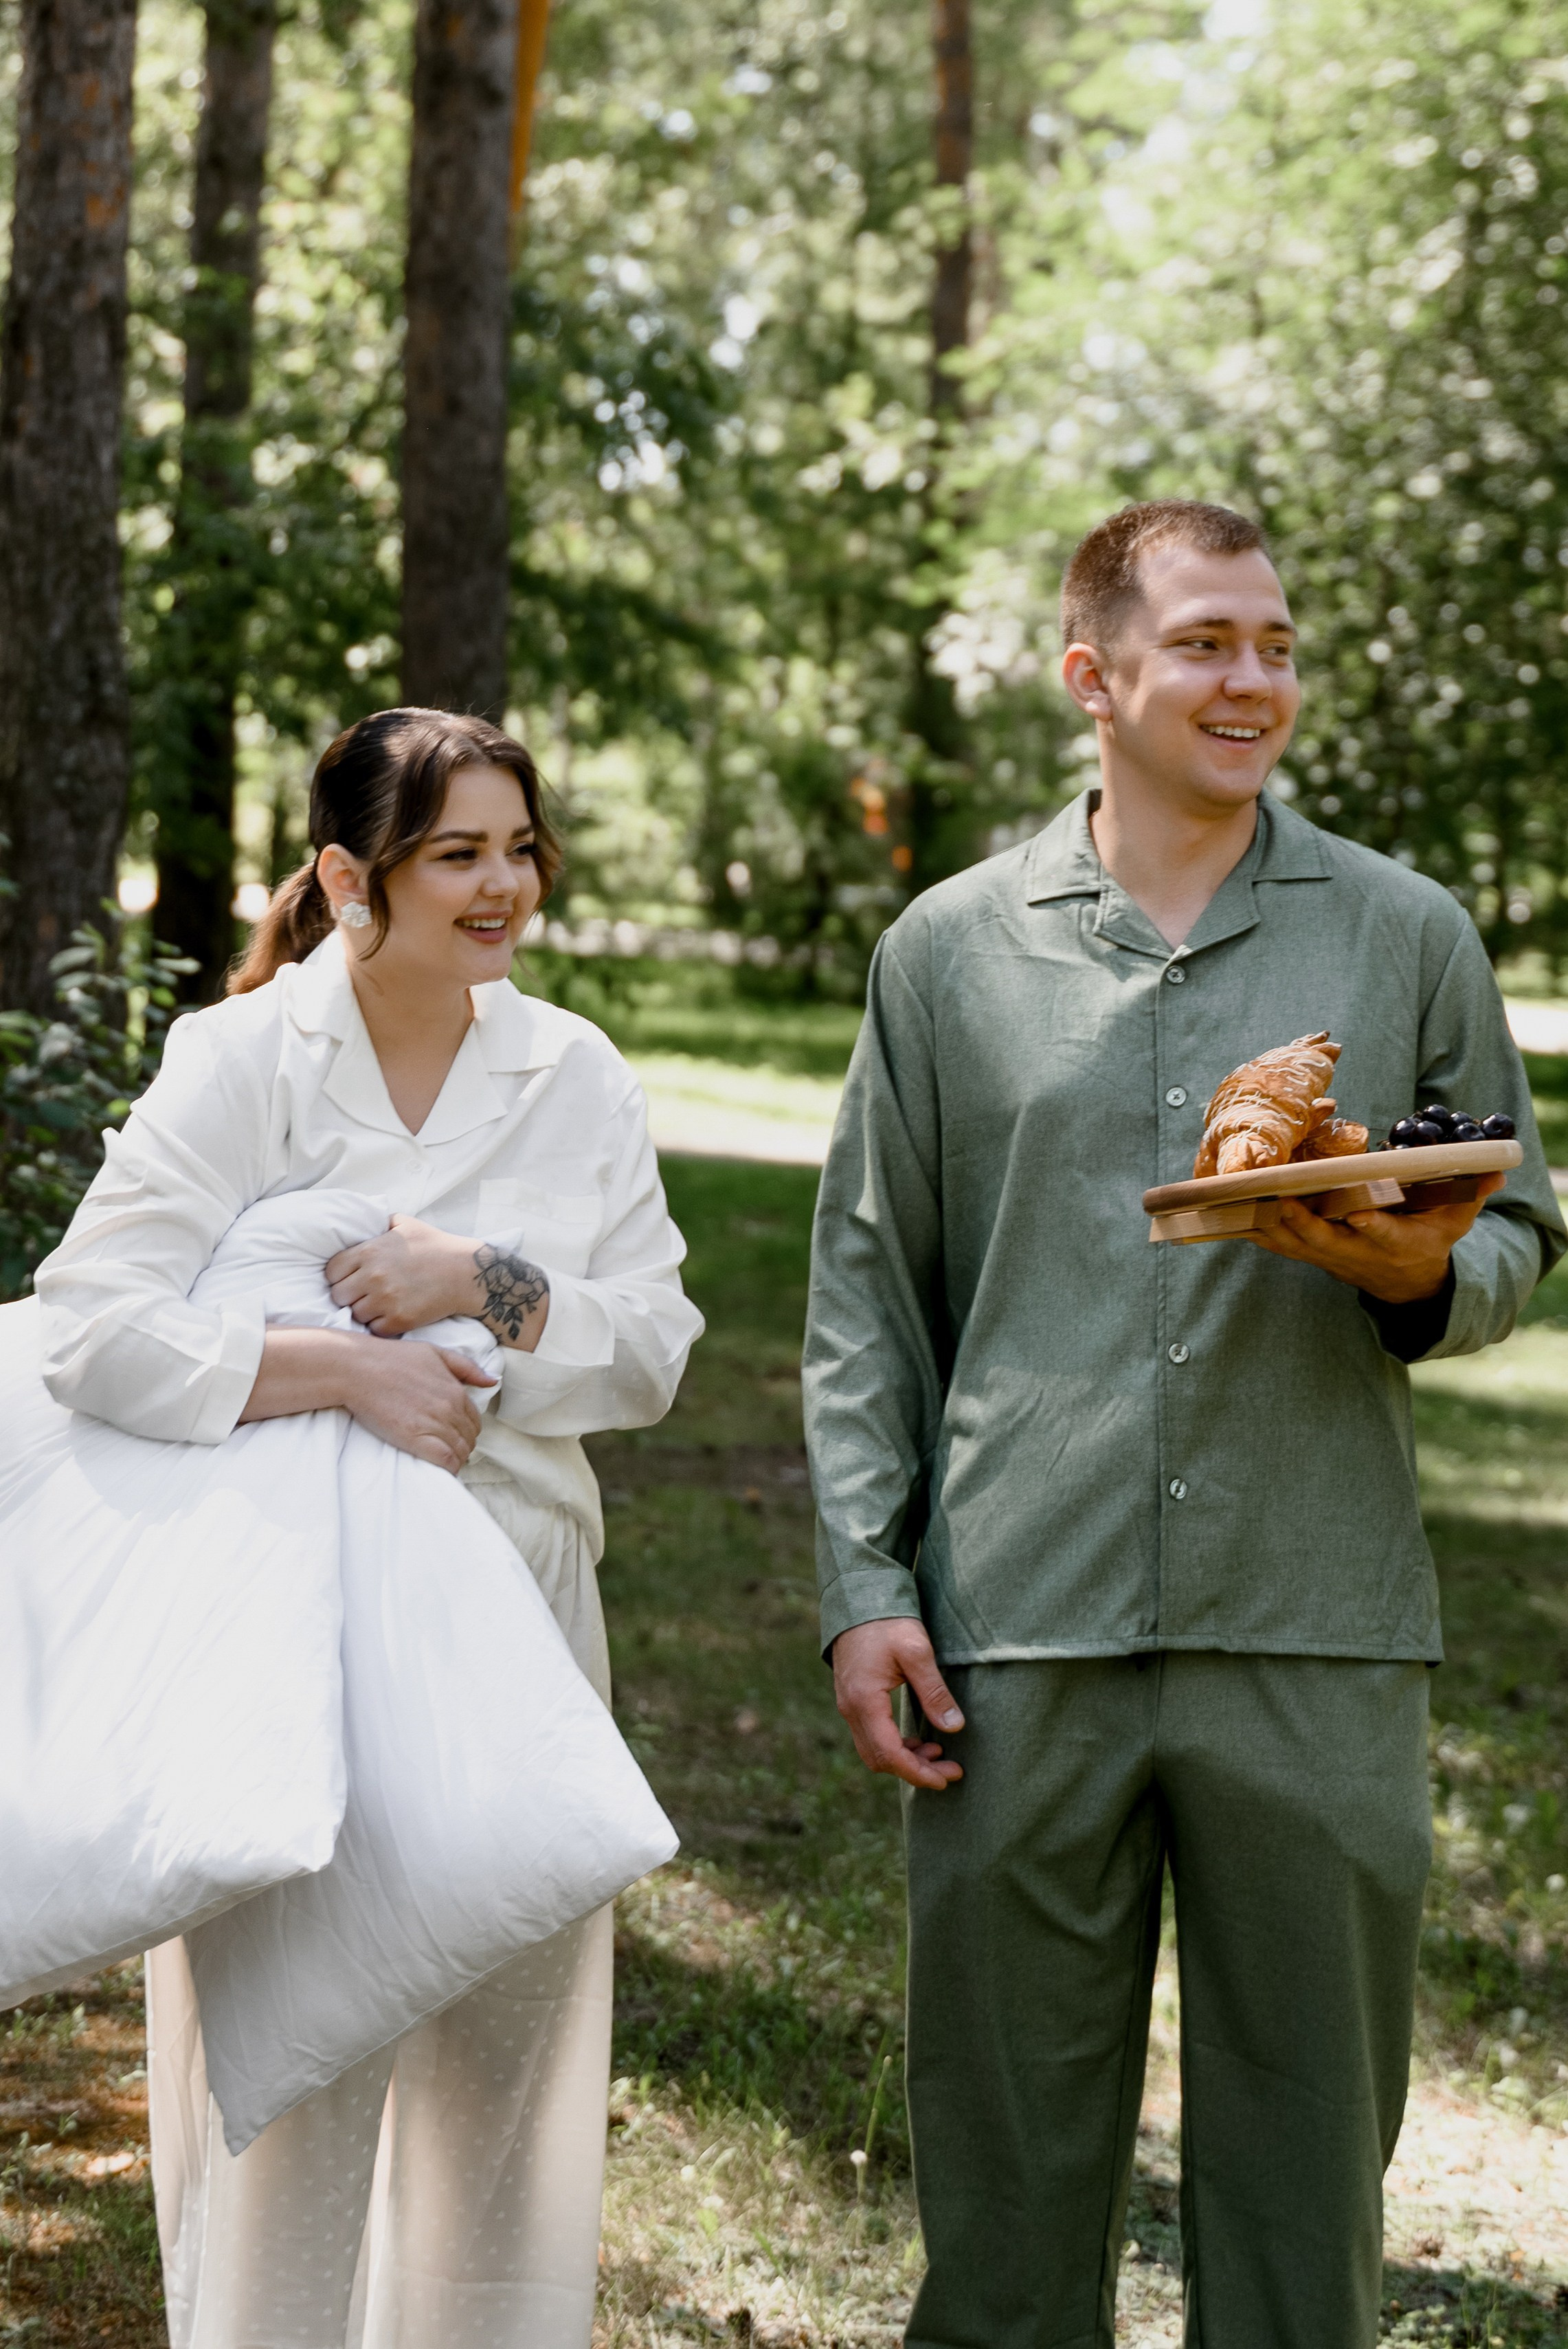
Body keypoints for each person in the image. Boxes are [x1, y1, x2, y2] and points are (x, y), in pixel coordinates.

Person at [802, 501, 1566, 2349]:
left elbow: (1517, 1220)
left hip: (1312, 1620)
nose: (1256, 682)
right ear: (1096, 675)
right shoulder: (947, 953)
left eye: (1277, 645)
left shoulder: (1402, 937)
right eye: (1213, 641)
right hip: (1016, 1626)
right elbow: (862, 1293)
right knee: (1001, 2194)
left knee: (1308, 2195)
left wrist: (1405, 1274)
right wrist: (862, 1584)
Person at [30, 707, 704, 2349]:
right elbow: (86, 1324)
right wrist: (339, 1365)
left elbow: (657, 1348)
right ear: (349, 875)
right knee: (281, 2102)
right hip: (284, 1639)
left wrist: (483, 1285)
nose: (501, 887)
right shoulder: (244, 1059)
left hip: (522, 1622)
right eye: (454, 852)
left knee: (504, 2103)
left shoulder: (575, 1070)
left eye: (519, 849)